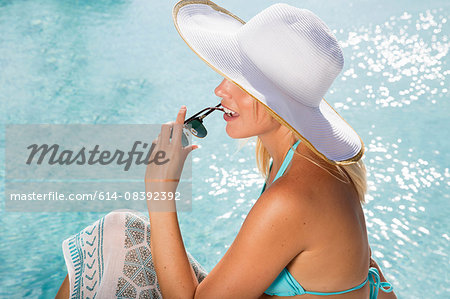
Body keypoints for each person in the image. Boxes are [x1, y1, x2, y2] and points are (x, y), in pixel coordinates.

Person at [56, 0, 397, 298]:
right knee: (118, 231)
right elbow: (367, 270)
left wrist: (160, 190)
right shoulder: (315, 164)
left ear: (281, 104)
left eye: (242, 81)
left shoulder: (290, 198)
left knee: (113, 241)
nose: (220, 89)